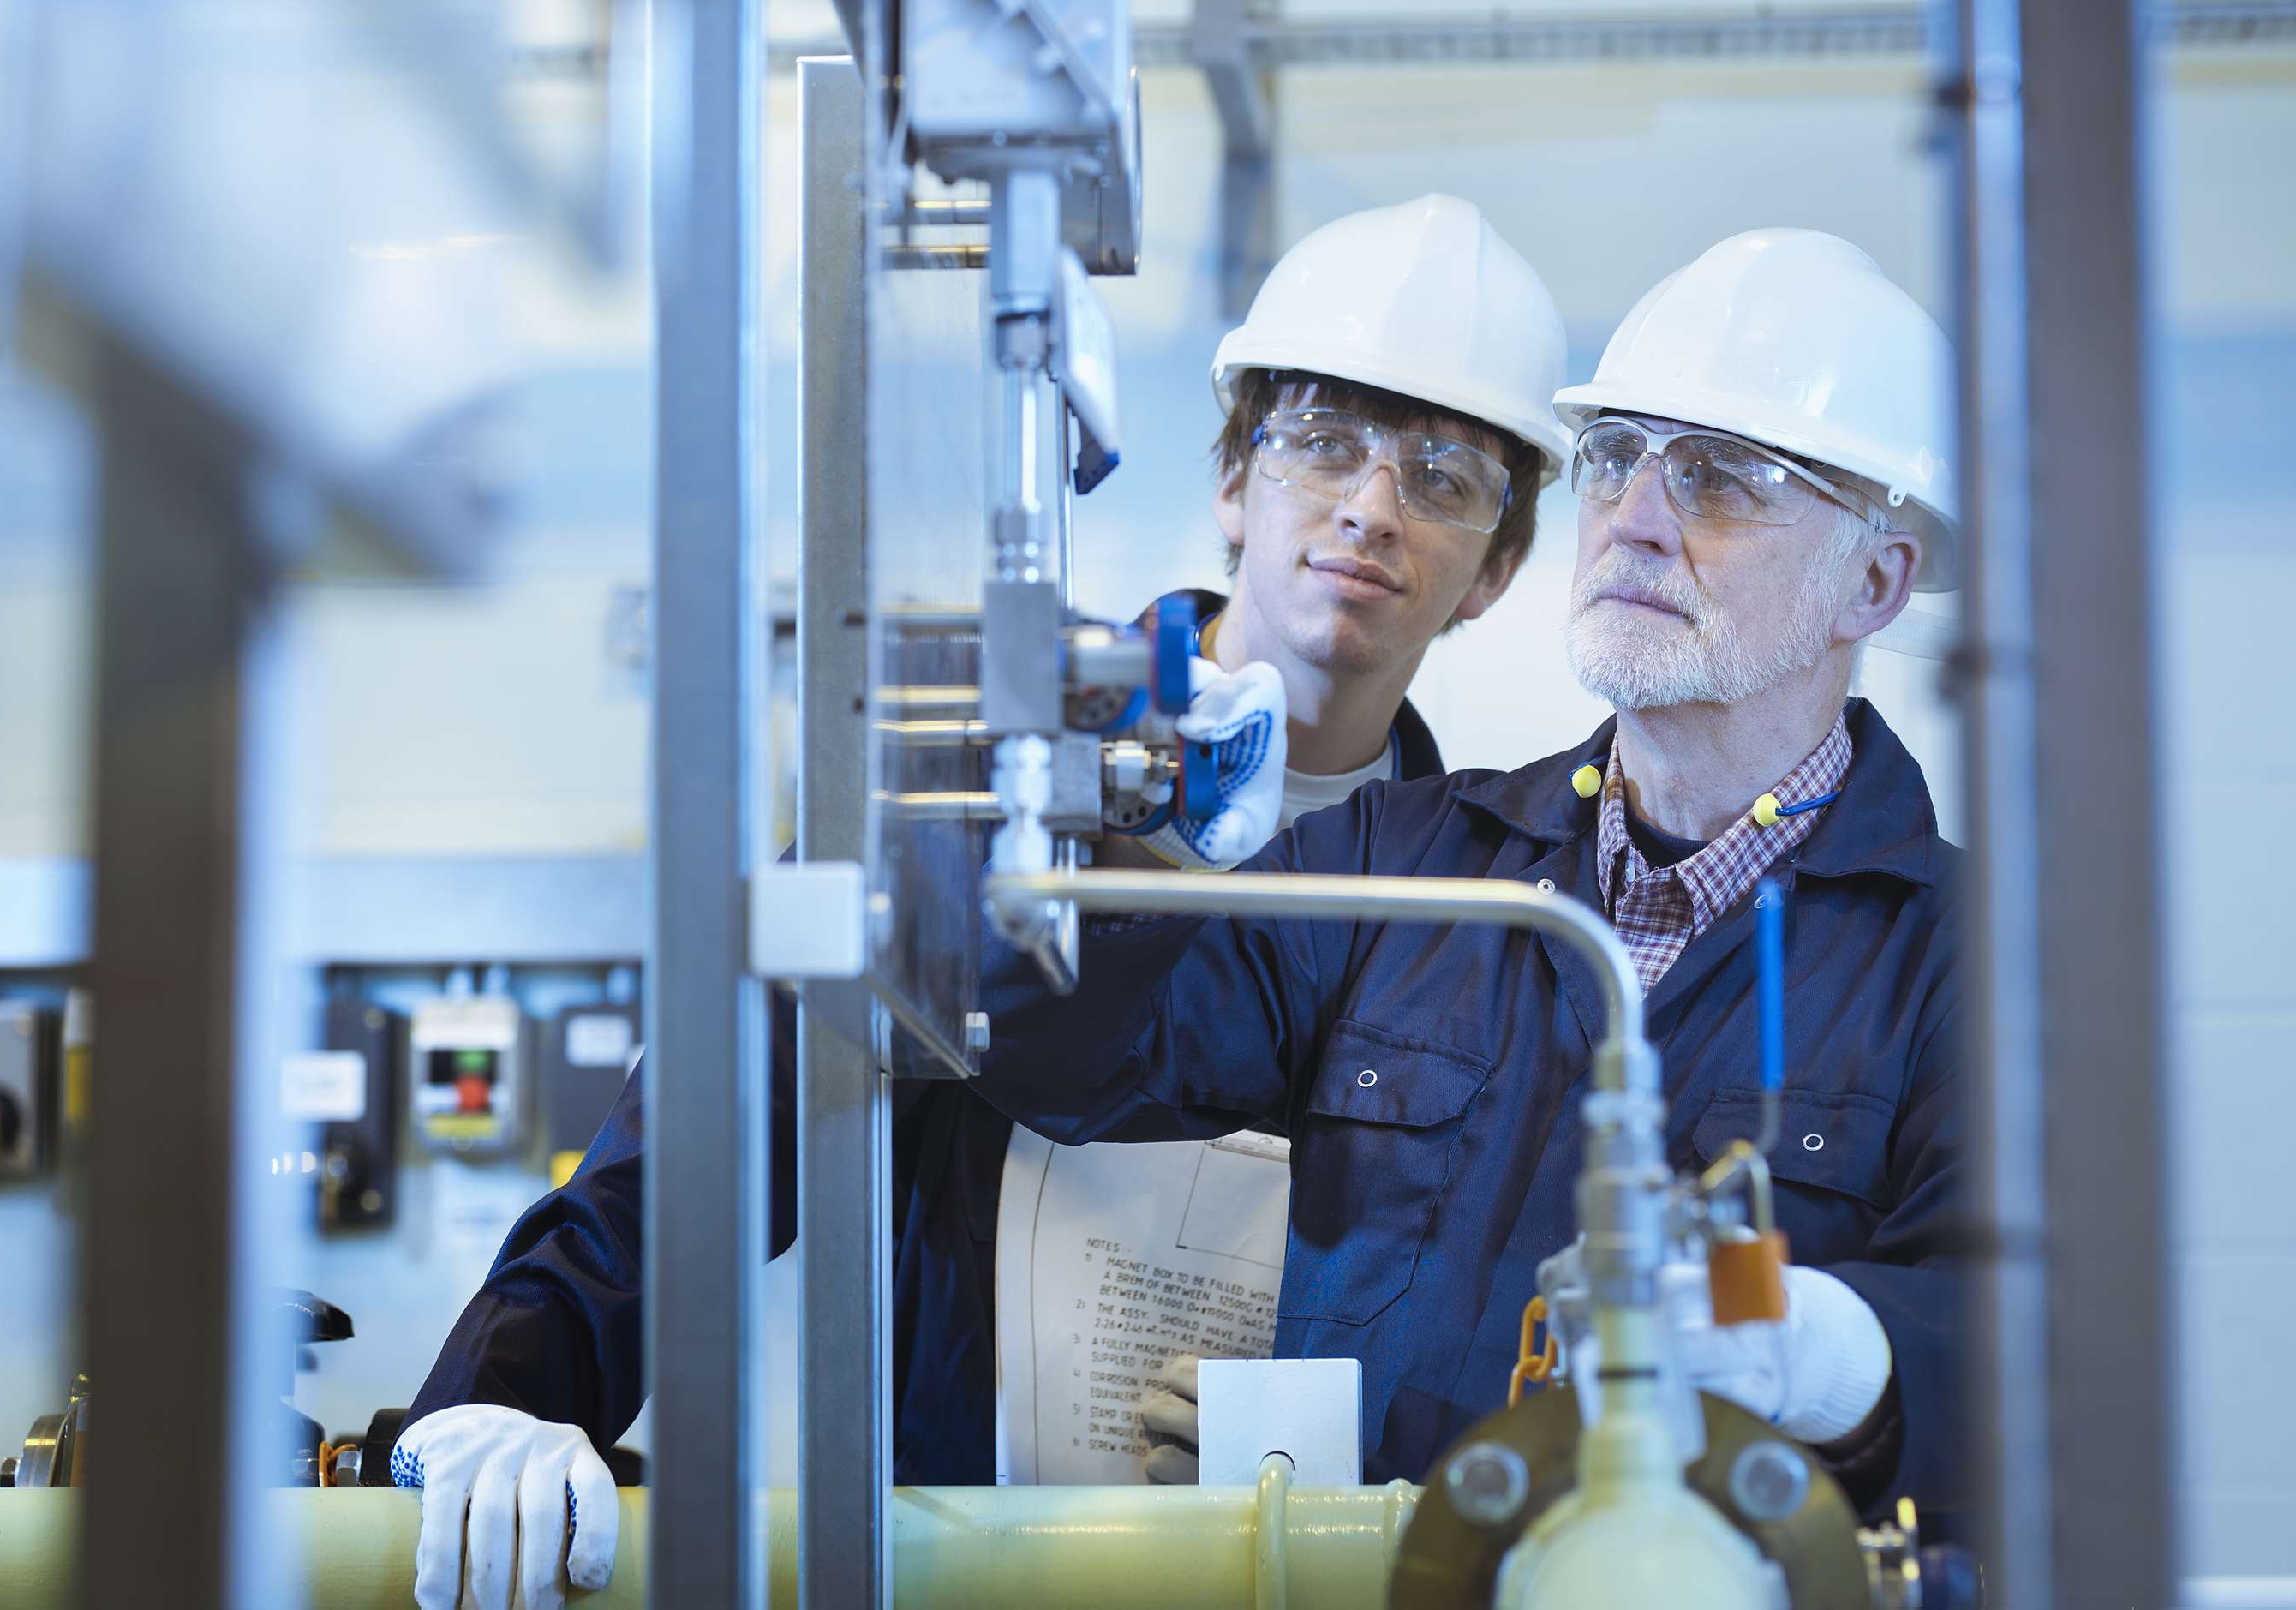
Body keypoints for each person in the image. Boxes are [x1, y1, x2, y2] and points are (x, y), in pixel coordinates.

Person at [387, 194, 1573, 1610]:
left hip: (1284, 1577)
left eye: (1442, 476)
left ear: (1497, 569)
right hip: (960, 1566)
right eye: (1320, 441)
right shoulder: (988, 784)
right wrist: (512, 1391)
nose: (1370, 508)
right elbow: (709, 1130)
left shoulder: (1494, 919)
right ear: (1233, 483)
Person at [968, 228, 1967, 1516]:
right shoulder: (1406, 868)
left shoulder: (1969, 965)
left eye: (1721, 480)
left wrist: (1816, 1349)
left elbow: (2018, 1366)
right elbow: (1065, 1062)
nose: (1638, 524)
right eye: (1615, 461)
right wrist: (1118, 810)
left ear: (1875, 582)